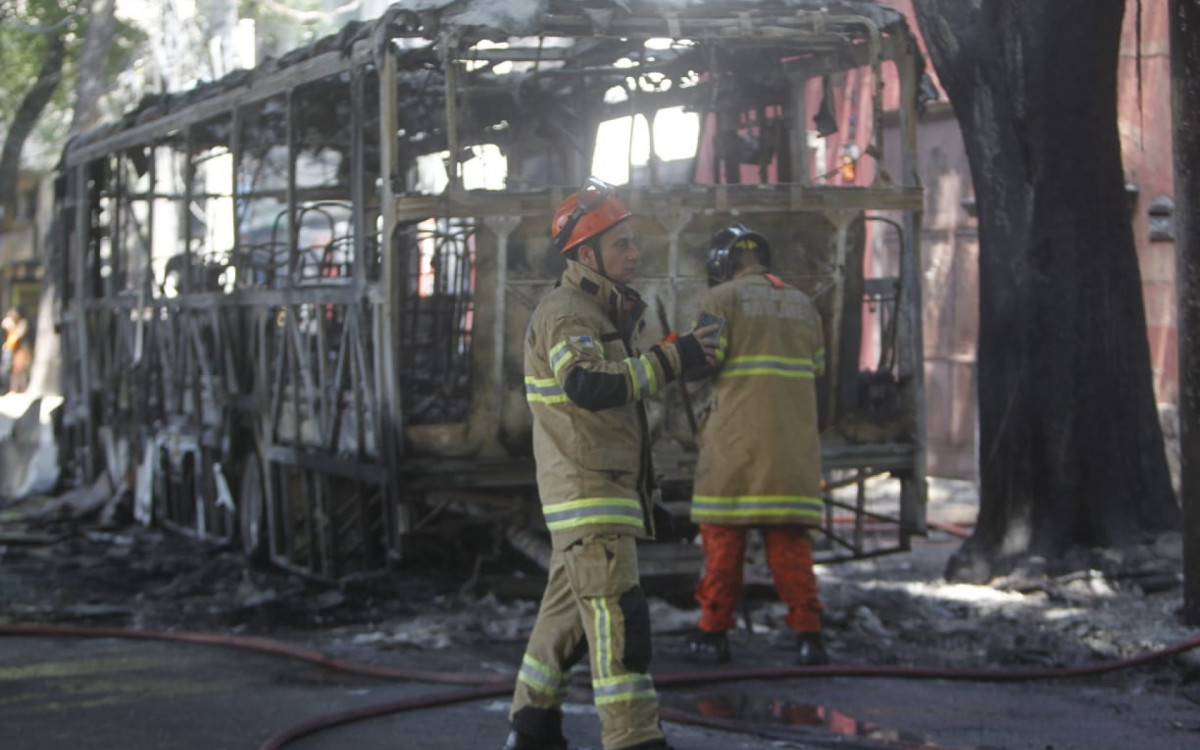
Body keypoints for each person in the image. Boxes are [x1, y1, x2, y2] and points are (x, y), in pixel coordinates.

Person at [502, 177, 719, 750]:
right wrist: (675, 358)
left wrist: (649, 501)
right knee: (620, 624)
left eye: (632, 242)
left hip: (595, 495)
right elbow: (587, 386)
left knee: (567, 617)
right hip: (588, 494)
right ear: (585, 253)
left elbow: (606, 417)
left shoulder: (594, 310)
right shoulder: (570, 313)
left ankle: (532, 728)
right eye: (620, 244)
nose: (634, 253)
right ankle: (635, 741)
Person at [683, 223, 830, 667]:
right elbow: (817, 369)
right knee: (790, 544)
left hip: (735, 447)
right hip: (792, 449)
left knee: (724, 542)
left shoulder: (718, 301)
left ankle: (712, 635)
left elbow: (702, 362)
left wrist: (676, 351)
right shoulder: (805, 306)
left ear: (721, 264)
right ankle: (809, 636)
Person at [1, 306, 32, 394]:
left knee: (20, 369)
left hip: (21, 348)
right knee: (13, 370)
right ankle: (13, 389)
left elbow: (18, 335)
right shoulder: (11, 323)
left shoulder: (22, 323)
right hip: (12, 349)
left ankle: (22, 389)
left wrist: (12, 327)